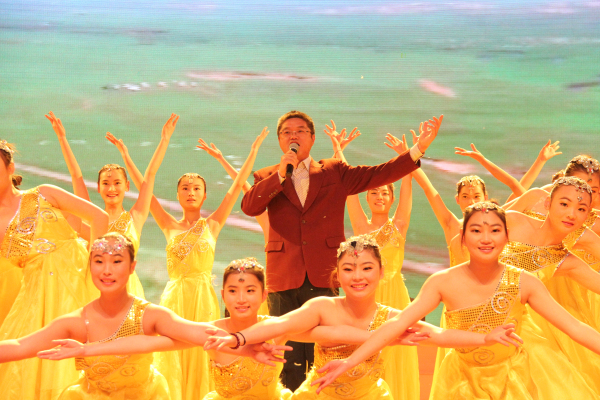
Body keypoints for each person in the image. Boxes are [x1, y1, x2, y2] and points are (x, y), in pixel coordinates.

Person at [311, 203, 600, 400]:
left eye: (494, 230)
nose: (485, 238)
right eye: (476, 230)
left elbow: (574, 327)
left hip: (516, 378)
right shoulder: (441, 282)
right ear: (462, 238)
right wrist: (350, 361)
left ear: (506, 237)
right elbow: (398, 323)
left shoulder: (525, 282)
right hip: (460, 383)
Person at [240, 110, 443, 390]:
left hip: (324, 274)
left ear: (312, 138)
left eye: (300, 131)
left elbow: (378, 173)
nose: (293, 136)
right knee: (286, 353)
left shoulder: (333, 171)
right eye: (287, 132)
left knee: (328, 349)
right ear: (279, 140)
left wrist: (418, 149)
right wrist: (279, 174)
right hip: (284, 274)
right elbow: (250, 206)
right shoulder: (266, 176)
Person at [204, 235, 523, 400]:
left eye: (366, 268)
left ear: (381, 273)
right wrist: (239, 338)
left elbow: (437, 335)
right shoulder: (322, 307)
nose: (358, 276)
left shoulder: (392, 318)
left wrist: (485, 338)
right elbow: (281, 323)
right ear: (337, 276)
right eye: (349, 269)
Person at [4, 233, 287, 400]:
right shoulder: (76, 322)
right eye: (99, 261)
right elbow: (19, 346)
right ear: (89, 266)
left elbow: (199, 333)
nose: (107, 270)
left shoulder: (150, 315)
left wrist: (245, 346)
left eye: (116, 262)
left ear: (132, 267)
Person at [110, 127, 270, 400]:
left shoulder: (212, 224)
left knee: (205, 350)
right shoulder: (168, 224)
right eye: (185, 188)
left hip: (203, 297)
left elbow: (235, 189)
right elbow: (145, 187)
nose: (191, 192)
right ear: (178, 194)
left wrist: (253, 151)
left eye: (196, 188)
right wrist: (126, 155)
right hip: (175, 297)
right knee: (173, 352)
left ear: (205, 195)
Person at [0, 140, 109, 400]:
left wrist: (98, 270)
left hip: (81, 286)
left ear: (11, 168)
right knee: (36, 370)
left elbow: (99, 218)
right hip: (36, 303)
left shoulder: (44, 194)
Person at [325, 123, 418, 400]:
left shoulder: (399, 224)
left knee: (396, 355)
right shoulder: (360, 226)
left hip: (395, 296)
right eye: (374, 192)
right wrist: (338, 150)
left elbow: (407, 189)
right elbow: (347, 186)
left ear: (391, 198)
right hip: (365, 297)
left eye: (385, 192)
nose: (379, 196)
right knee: (367, 353)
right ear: (367, 197)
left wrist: (407, 158)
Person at [46, 112, 180, 298]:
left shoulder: (136, 217)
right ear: (98, 188)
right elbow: (76, 177)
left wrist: (164, 139)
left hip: (129, 292)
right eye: (106, 183)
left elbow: (150, 176)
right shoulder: (92, 217)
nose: (111, 188)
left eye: (117, 183)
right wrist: (62, 138)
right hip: (95, 292)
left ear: (127, 186)